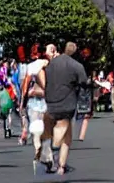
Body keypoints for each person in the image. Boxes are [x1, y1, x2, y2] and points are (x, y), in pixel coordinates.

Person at [38, 42, 87, 176]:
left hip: (51, 102)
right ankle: (58, 160)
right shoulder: (76, 65)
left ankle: (55, 158)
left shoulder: (50, 64)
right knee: (64, 134)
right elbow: (84, 81)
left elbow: (42, 78)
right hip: (67, 103)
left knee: (58, 132)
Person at [19, 44, 48, 158]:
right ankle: (46, 149)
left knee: (35, 125)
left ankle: (37, 146)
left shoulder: (31, 66)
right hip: (48, 99)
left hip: (34, 99)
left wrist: (23, 102)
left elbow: (26, 86)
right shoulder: (49, 64)